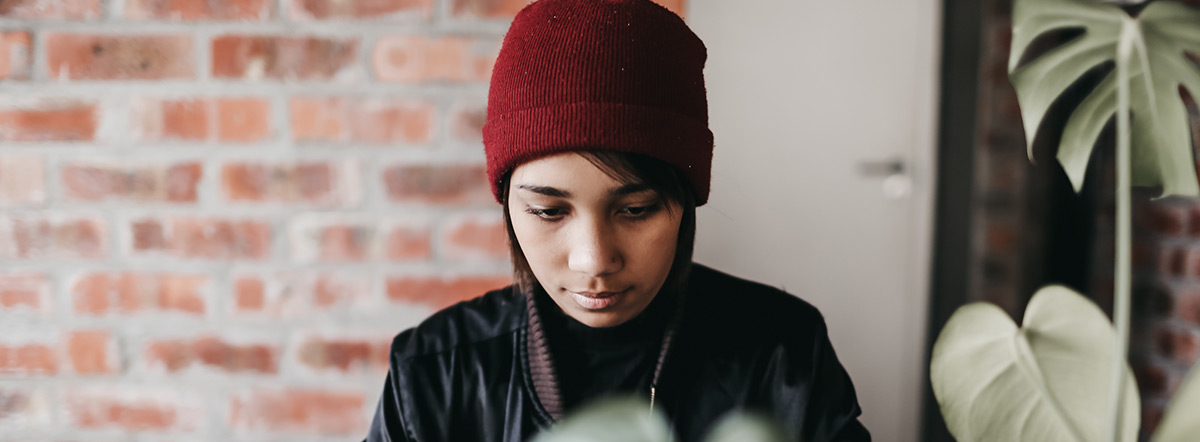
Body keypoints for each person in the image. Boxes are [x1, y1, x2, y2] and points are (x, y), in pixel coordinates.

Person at [364, 0, 870, 441]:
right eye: (548, 211)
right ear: (508, 204)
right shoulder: (433, 373)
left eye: (635, 210)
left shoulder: (782, 355)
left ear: (686, 200)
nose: (594, 259)